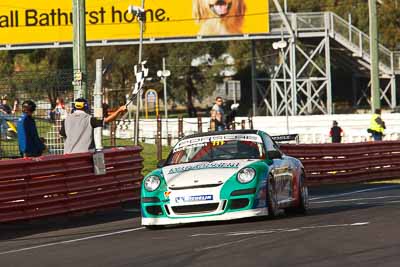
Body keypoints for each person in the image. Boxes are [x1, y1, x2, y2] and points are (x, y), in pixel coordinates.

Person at [60, 98, 127, 154]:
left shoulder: (66, 120)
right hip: (85, 157)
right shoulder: (90, 119)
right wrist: (119, 110)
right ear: (86, 107)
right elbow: (107, 120)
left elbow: (62, 134)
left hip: (68, 157)